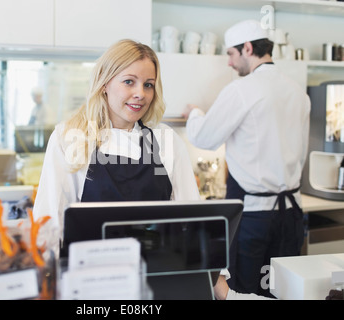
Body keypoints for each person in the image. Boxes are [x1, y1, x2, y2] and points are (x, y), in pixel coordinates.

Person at [33, 39, 269, 300]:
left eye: (148, 85)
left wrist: (225, 292)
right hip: (89, 288)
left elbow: (197, 226)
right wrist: (45, 289)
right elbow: (48, 224)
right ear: (104, 83)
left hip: (159, 285)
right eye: (129, 82)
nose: (141, 94)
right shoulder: (70, 137)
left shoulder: (166, 141)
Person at [183, 20, 311, 296]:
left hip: (255, 218)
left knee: (242, 292)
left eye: (230, 53)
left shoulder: (242, 90)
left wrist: (194, 113)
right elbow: (298, 152)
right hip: (291, 215)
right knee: (283, 290)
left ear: (248, 48)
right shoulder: (298, 91)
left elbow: (204, 138)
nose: (229, 63)